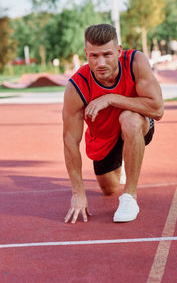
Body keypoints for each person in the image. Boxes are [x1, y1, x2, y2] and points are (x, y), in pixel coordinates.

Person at [62, 23, 164, 224]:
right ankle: (125, 159)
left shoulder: (135, 62)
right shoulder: (77, 86)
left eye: (107, 54)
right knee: (108, 189)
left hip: (136, 123)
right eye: (94, 56)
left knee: (130, 119)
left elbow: (157, 109)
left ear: (118, 51)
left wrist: (111, 98)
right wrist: (78, 193)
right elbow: (70, 141)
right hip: (104, 136)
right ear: (86, 54)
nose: (100, 62)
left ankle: (129, 197)